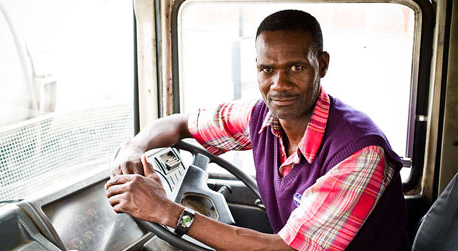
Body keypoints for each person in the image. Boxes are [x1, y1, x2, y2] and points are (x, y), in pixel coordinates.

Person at [105, 9, 410, 251]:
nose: (279, 85)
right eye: (267, 70)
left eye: (296, 68)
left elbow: (284, 249)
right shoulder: (260, 117)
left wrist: (165, 211)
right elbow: (180, 123)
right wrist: (136, 146)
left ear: (322, 65)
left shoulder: (359, 152)